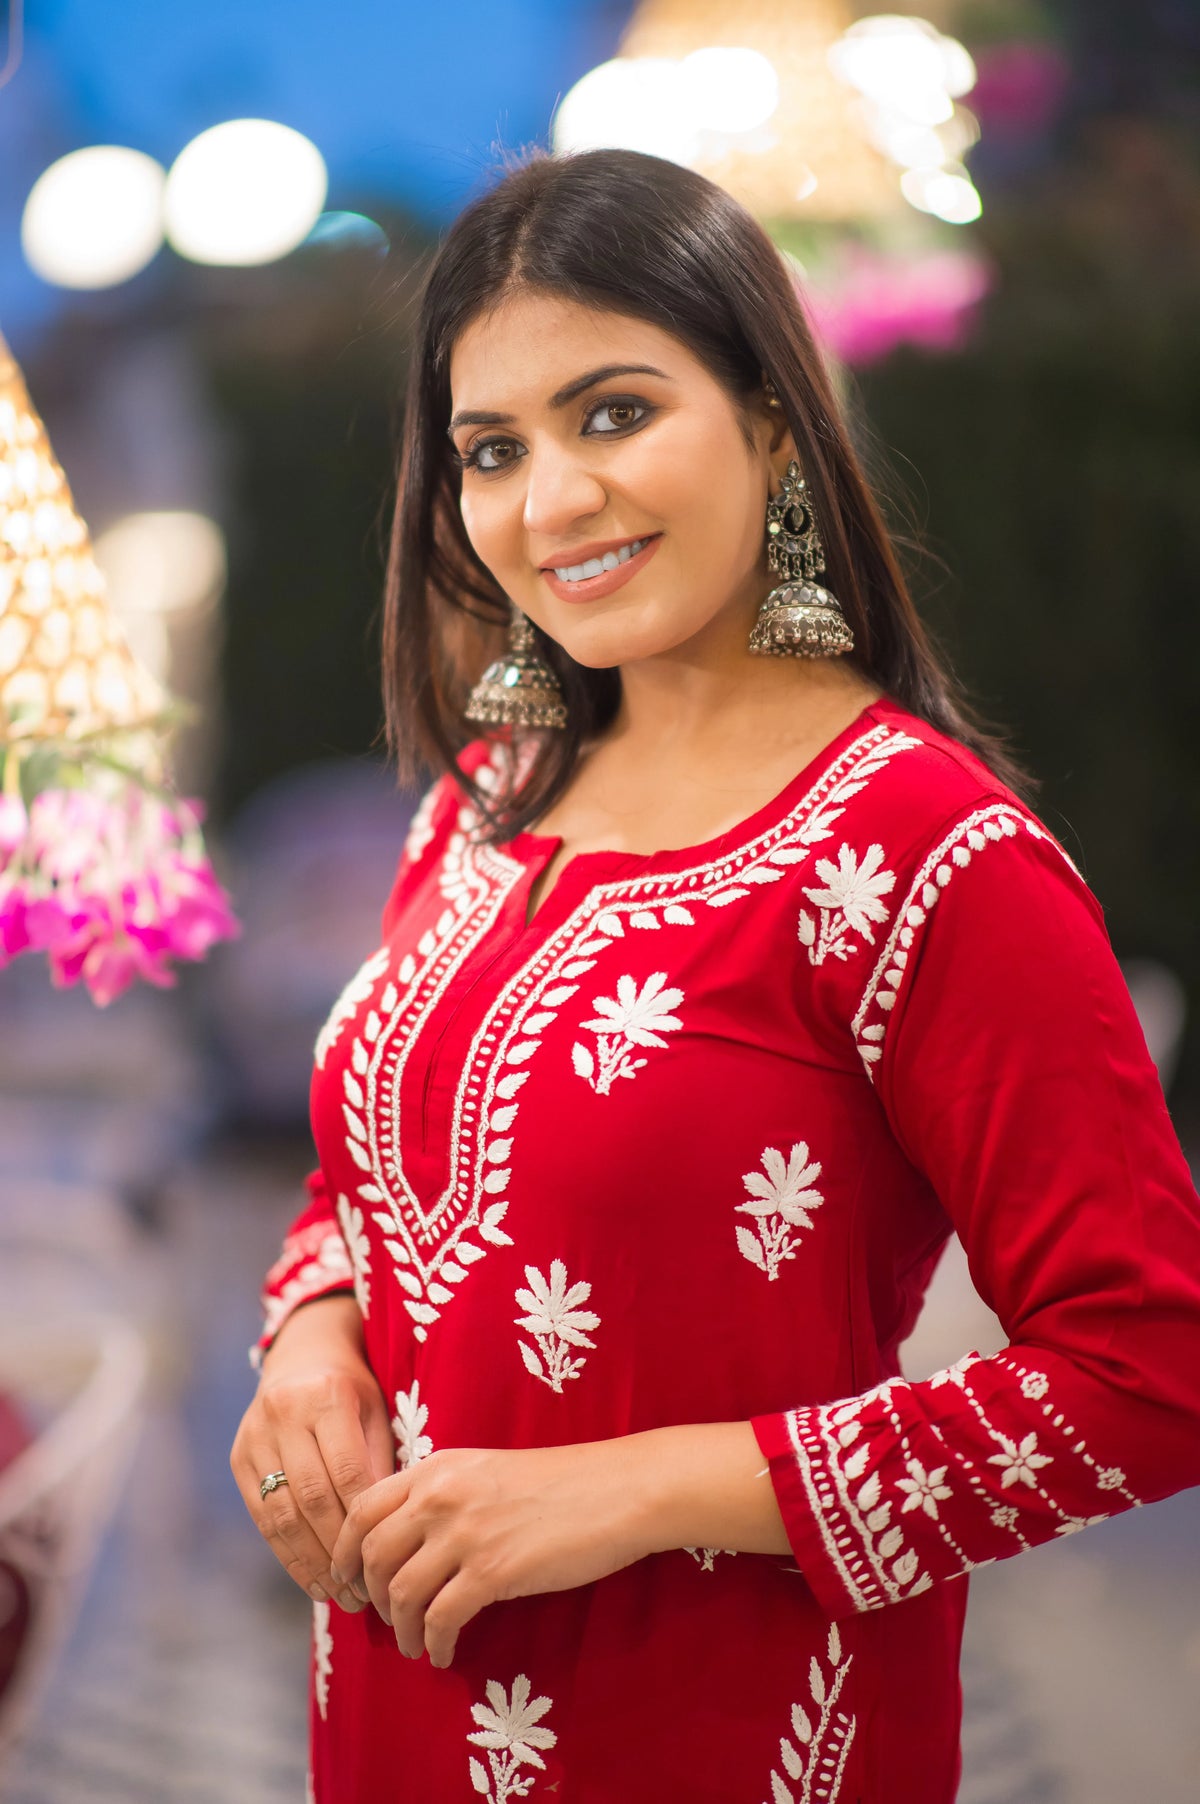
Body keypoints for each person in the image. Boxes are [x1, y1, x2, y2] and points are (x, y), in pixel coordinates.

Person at [230, 147, 1200, 1804]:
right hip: (392, 1712)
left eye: (613, 413)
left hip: (726, 1729)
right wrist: (311, 1338)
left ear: (772, 423)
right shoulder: (488, 801)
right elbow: (372, 1175)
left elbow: (1148, 1374)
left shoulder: (923, 854)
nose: (551, 501)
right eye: (492, 449)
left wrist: (640, 1489)